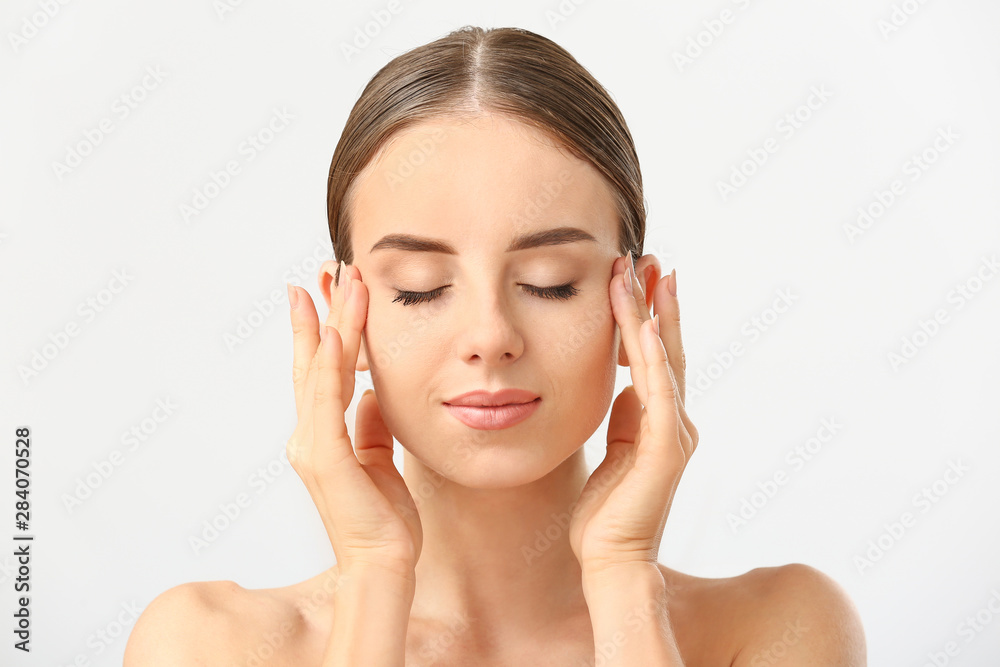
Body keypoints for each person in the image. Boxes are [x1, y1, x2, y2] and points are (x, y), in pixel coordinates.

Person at [125, 25, 866, 665]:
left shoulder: (778, 627)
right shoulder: (203, 643)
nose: (489, 337)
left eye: (549, 282)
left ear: (632, 304)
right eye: (418, 286)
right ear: (342, 314)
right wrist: (375, 576)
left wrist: (621, 575)